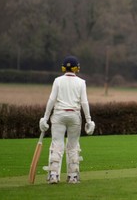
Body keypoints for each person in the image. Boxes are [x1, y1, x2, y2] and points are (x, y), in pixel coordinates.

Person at [39, 55, 96, 184]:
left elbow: (52, 100)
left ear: (63, 68)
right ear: (77, 68)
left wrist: (45, 118)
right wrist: (89, 120)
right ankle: (73, 176)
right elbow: (84, 102)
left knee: (57, 144)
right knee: (73, 145)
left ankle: (53, 175)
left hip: (59, 115)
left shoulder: (57, 80)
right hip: (74, 115)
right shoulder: (81, 82)